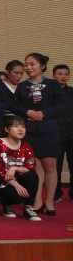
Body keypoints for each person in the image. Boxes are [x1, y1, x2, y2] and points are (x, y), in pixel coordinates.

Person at [11, 53, 64, 215]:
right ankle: (37, 200)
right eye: (26, 64)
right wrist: (28, 112)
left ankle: (50, 202)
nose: (28, 67)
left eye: (32, 64)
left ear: (42, 66)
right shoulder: (22, 86)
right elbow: (14, 106)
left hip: (48, 129)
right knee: (35, 167)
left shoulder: (53, 84)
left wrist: (44, 114)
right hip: (29, 130)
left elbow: (61, 105)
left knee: (50, 166)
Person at [0, 115, 41, 220]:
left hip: (18, 178)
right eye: (16, 126)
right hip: (2, 179)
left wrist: (14, 168)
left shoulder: (26, 145)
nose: (20, 129)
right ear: (6, 129)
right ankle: (6, 205)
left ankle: (28, 208)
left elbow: (30, 166)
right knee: (12, 193)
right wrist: (15, 184)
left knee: (32, 176)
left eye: (23, 127)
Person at [52, 64, 73, 201]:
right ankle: (56, 194)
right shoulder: (49, 93)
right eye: (60, 74)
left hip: (71, 132)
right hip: (55, 133)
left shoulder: (72, 91)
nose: (63, 76)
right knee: (56, 166)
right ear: (54, 76)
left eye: (66, 74)